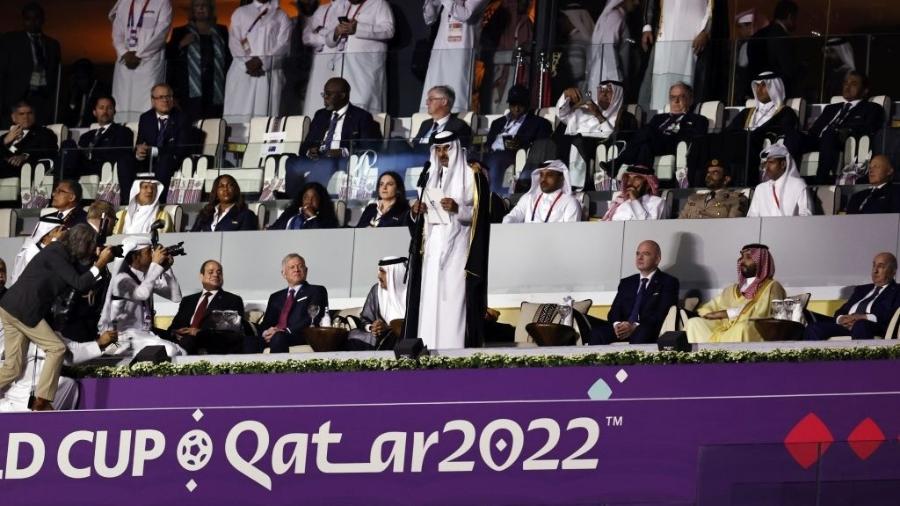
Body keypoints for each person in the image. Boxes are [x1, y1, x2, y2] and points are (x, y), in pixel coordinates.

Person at [0, 224, 115, 411]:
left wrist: (96, 261)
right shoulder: (56, 253)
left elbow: (81, 278)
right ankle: (42, 401)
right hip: (25, 310)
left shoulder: (61, 254)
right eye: (90, 246)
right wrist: (99, 263)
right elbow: (79, 284)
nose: (90, 250)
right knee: (57, 348)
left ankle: (42, 400)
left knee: (12, 367)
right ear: (81, 244)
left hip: (10, 307)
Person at [409, 130, 490, 349]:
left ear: (455, 148)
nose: (442, 153)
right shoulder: (430, 176)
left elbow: (481, 215)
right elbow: (421, 221)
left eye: (446, 148)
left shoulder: (471, 175)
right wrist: (416, 211)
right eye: (438, 149)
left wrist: (458, 209)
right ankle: (428, 352)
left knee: (452, 305)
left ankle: (453, 354)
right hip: (432, 250)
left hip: (458, 252)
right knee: (430, 303)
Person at [99, 235, 185, 358]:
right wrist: (156, 265)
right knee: (170, 351)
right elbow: (142, 294)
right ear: (135, 257)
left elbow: (176, 297)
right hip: (122, 338)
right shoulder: (121, 279)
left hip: (143, 335)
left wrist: (166, 269)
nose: (153, 254)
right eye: (148, 251)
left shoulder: (147, 276)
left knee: (182, 351)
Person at [794, 71, 885, 184]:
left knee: (829, 134)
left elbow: (869, 129)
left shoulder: (871, 108)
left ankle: (819, 182)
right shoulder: (831, 108)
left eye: (854, 84)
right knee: (793, 137)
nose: (847, 87)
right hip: (817, 140)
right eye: (845, 83)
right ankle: (788, 178)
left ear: (865, 91)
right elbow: (814, 131)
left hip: (842, 141)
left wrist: (847, 131)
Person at [686, 243, 786, 343]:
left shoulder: (771, 286)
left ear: (761, 262)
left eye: (749, 257)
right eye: (742, 256)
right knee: (693, 323)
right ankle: (704, 356)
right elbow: (707, 309)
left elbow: (762, 314)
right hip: (723, 329)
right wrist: (713, 315)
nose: (743, 260)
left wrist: (727, 313)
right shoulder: (731, 290)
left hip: (751, 328)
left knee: (743, 327)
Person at [0, 329, 118, 412]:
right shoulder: (30, 331)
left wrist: (99, 344)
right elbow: (70, 354)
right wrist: (99, 344)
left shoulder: (37, 329)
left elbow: (70, 350)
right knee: (65, 385)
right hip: (25, 403)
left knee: (66, 384)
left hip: (15, 402)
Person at [589, 240, 679, 345]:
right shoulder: (626, 283)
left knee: (642, 332)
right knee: (597, 333)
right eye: (638, 254)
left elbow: (661, 313)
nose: (639, 258)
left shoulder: (668, 282)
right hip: (622, 329)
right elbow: (614, 312)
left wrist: (634, 326)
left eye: (646, 254)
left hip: (647, 329)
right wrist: (618, 325)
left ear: (657, 259)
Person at [716, 71, 798, 185]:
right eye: (757, 85)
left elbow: (783, 131)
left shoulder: (785, 112)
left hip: (762, 146)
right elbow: (729, 131)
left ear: (774, 87)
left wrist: (752, 134)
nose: (759, 89)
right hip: (741, 146)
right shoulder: (747, 112)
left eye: (763, 85)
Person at [555, 81, 639, 187]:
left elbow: (612, 137)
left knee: (577, 141)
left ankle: (575, 185)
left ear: (617, 94)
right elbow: (562, 115)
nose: (603, 94)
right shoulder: (584, 109)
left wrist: (597, 114)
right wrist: (566, 95)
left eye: (609, 91)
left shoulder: (625, 117)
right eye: (601, 90)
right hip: (569, 145)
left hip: (591, 147)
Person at [609, 82, 708, 171]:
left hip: (675, 144)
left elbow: (696, 138)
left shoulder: (698, 119)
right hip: (656, 144)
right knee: (645, 146)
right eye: (672, 97)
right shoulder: (658, 118)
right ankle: (642, 173)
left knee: (647, 131)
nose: (676, 101)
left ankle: (618, 161)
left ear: (690, 100)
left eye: (681, 97)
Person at [58, 200, 118, 343]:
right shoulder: (83, 233)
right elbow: (78, 267)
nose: (115, 225)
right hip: (76, 312)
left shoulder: (90, 236)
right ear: (105, 218)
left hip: (84, 314)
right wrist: (100, 262)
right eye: (114, 220)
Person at [223, 0, 292, 122]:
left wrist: (261, 61)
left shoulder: (281, 16)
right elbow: (234, 41)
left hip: (268, 73)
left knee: (265, 120)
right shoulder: (240, 12)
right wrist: (247, 62)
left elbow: (284, 45)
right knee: (238, 117)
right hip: (242, 72)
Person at [804, 252, 900, 341]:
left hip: (872, 326)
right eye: (874, 265)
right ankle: (814, 359)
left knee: (860, 325)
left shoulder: (896, 291)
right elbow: (841, 311)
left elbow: (888, 315)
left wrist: (862, 317)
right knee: (814, 327)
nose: (875, 270)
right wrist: (842, 318)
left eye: (881, 266)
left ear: (893, 271)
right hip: (846, 326)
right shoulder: (861, 290)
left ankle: (859, 360)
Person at [322, 0, 394, 114]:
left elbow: (389, 30)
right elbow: (329, 41)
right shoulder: (346, 6)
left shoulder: (379, 3)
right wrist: (336, 32)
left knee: (365, 107)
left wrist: (357, 29)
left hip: (366, 71)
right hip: (344, 68)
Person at [419, 0, 490, 114]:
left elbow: (466, 14)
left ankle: (456, 121)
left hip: (462, 49)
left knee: (458, 90)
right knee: (435, 83)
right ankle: (430, 119)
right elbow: (429, 18)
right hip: (441, 47)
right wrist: (430, 3)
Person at [640, 0, 712, 112]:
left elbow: (711, 6)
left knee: (690, 83)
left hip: (692, 39)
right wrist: (647, 26)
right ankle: (657, 119)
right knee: (658, 84)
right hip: (665, 36)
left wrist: (706, 31)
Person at [249, 253, 329, 353]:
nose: (296, 270)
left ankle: (279, 369)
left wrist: (286, 331)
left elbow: (312, 318)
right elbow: (267, 323)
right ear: (283, 273)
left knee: (279, 337)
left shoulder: (316, 291)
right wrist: (266, 332)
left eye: (300, 266)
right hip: (275, 336)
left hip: (298, 335)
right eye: (292, 267)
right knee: (249, 342)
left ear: (306, 270)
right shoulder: (275, 297)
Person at [166, 0, 231, 120]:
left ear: (210, 10)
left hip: (216, 90)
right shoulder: (180, 32)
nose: (200, 8)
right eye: (197, 6)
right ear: (192, 10)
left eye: (204, 5)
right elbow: (168, 57)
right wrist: (181, 44)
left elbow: (229, 59)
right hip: (189, 93)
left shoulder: (222, 31)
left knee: (214, 126)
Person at [0, 2, 61, 127]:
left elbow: (54, 73)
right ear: (23, 20)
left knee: (40, 131)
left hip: (41, 96)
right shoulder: (10, 40)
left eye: (36, 18)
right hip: (16, 96)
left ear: (42, 19)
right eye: (28, 19)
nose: (33, 22)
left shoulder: (52, 44)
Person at [110, 0, 172, 122]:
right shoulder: (124, 3)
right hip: (125, 63)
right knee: (121, 105)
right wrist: (124, 53)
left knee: (147, 105)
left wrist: (140, 55)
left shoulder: (162, 3)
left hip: (148, 62)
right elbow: (116, 33)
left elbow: (161, 33)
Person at [168, 260, 248, 354]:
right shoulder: (188, 300)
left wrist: (198, 332)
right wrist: (176, 332)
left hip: (211, 344)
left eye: (219, 272)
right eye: (210, 272)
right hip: (182, 342)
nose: (215, 275)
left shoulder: (232, 300)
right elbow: (173, 327)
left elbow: (230, 333)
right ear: (201, 276)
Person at [482, 85, 552, 191]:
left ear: (527, 105)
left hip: (514, 155)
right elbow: (488, 143)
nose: (517, 108)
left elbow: (540, 148)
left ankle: (494, 198)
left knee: (496, 160)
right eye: (513, 104)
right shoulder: (497, 123)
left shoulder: (539, 123)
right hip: (490, 155)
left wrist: (520, 144)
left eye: (521, 105)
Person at [298, 77, 382, 159]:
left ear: (342, 95)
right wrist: (309, 151)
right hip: (316, 162)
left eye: (328, 94)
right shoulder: (320, 115)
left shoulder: (362, 117)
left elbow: (370, 149)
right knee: (290, 161)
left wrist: (343, 152)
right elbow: (304, 147)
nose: (325, 98)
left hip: (342, 164)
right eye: (324, 94)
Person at [134, 83, 193, 196]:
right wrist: (139, 152)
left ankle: (157, 199)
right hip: (148, 161)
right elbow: (140, 143)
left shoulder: (182, 118)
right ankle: (127, 201)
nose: (165, 100)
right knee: (125, 160)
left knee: (165, 160)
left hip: (172, 161)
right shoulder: (145, 118)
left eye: (168, 97)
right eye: (161, 97)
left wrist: (155, 150)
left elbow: (181, 149)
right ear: (153, 100)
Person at [65, 95, 134, 181]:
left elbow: (120, 155)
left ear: (114, 112)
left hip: (103, 168)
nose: (105, 111)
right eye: (101, 108)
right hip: (83, 167)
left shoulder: (122, 131)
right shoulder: (86, 136)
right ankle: (64, 179)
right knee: (68, 144)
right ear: (94, 112)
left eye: (109, 108)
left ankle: (67, 179)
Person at [348, 256, 407, 350]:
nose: (378, 276)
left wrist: (388, 328)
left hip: (404, 338)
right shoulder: (376, 291)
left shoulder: (411, 293)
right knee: (354, 334)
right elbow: (365, 319)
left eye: (383, 272)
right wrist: (372, 327)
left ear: (395, 274)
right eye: (379, 271)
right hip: (380, 337)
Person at [502, 160, 581, 224]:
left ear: (561, 178)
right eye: (541, 175)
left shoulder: (570, 203)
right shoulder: (528, 198)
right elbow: (513, 217)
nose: (543, 179)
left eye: (549, 175)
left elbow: (569, 235)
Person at [747, 1, 800, 97]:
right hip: (777, 95)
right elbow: (788, 70)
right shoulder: (782, 38)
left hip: (756, 93)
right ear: (790, 16)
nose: (797, 22)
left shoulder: (757, 36)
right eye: (796, 18)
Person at [587, 0, 640, 90]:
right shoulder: (615, 17)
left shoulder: (616, 16)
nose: (637, 2)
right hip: (608, 83)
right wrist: (616, 82)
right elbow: (608, 49)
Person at [746, 144, 811, 217]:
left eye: (771, 162)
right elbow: (752, 218)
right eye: (765, 163)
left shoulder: (798, 185)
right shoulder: (760, 189)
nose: (766, 167)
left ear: (783, 164)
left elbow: (806, 217)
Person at [301, 0, 340, 117]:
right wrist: (326, 39)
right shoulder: (321, 9)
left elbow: (340, 36)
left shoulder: (347, 7)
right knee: (315, 98)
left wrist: (321, 32)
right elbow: (306, 37)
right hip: (319, 60)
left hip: (337, 60)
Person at [0, 99, 58, 177]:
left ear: (34, 115)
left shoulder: (44, 133)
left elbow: (49, 151)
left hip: (24, 168)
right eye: (21, 114)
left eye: (29, 113)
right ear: (13, 117)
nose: (26, 117)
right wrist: (5, 141)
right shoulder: (5, 137)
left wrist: (25, 156)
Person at [678, 160, 749, 219]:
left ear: (726, 179)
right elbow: (678, 223)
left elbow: (733, 227)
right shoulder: (693, 198)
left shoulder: (736, 199)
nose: (708, 175)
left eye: (715, 173)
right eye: (708, 173)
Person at [10, 214, 65, 286]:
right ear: (45, 235)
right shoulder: (31, 252)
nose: (61, 234)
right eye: (57, 231)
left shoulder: (60, 251)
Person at [191, 174, 258, 231]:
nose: (225, 189)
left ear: (235, 190)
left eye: (229, 186)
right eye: (221, 186)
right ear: (216, 192)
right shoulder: (204, 215)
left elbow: (247, 242)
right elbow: (192, 238)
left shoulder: (246, 215)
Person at [268, 182, 340, 229]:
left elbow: (321, 236)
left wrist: (312, 217)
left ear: (320, 201)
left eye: (314, 198)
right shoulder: (290, 214)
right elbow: (275, 229)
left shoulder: (327, 219)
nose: (309, 201)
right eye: (306, 197)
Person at [63, 58, 111, 128]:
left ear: (91, 76)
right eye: (77, 78)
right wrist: (73, 98)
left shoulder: (101, 91)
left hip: (93, 130)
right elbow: (68, 119)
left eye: (83, 77)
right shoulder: (76, 90)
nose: (80, 82)